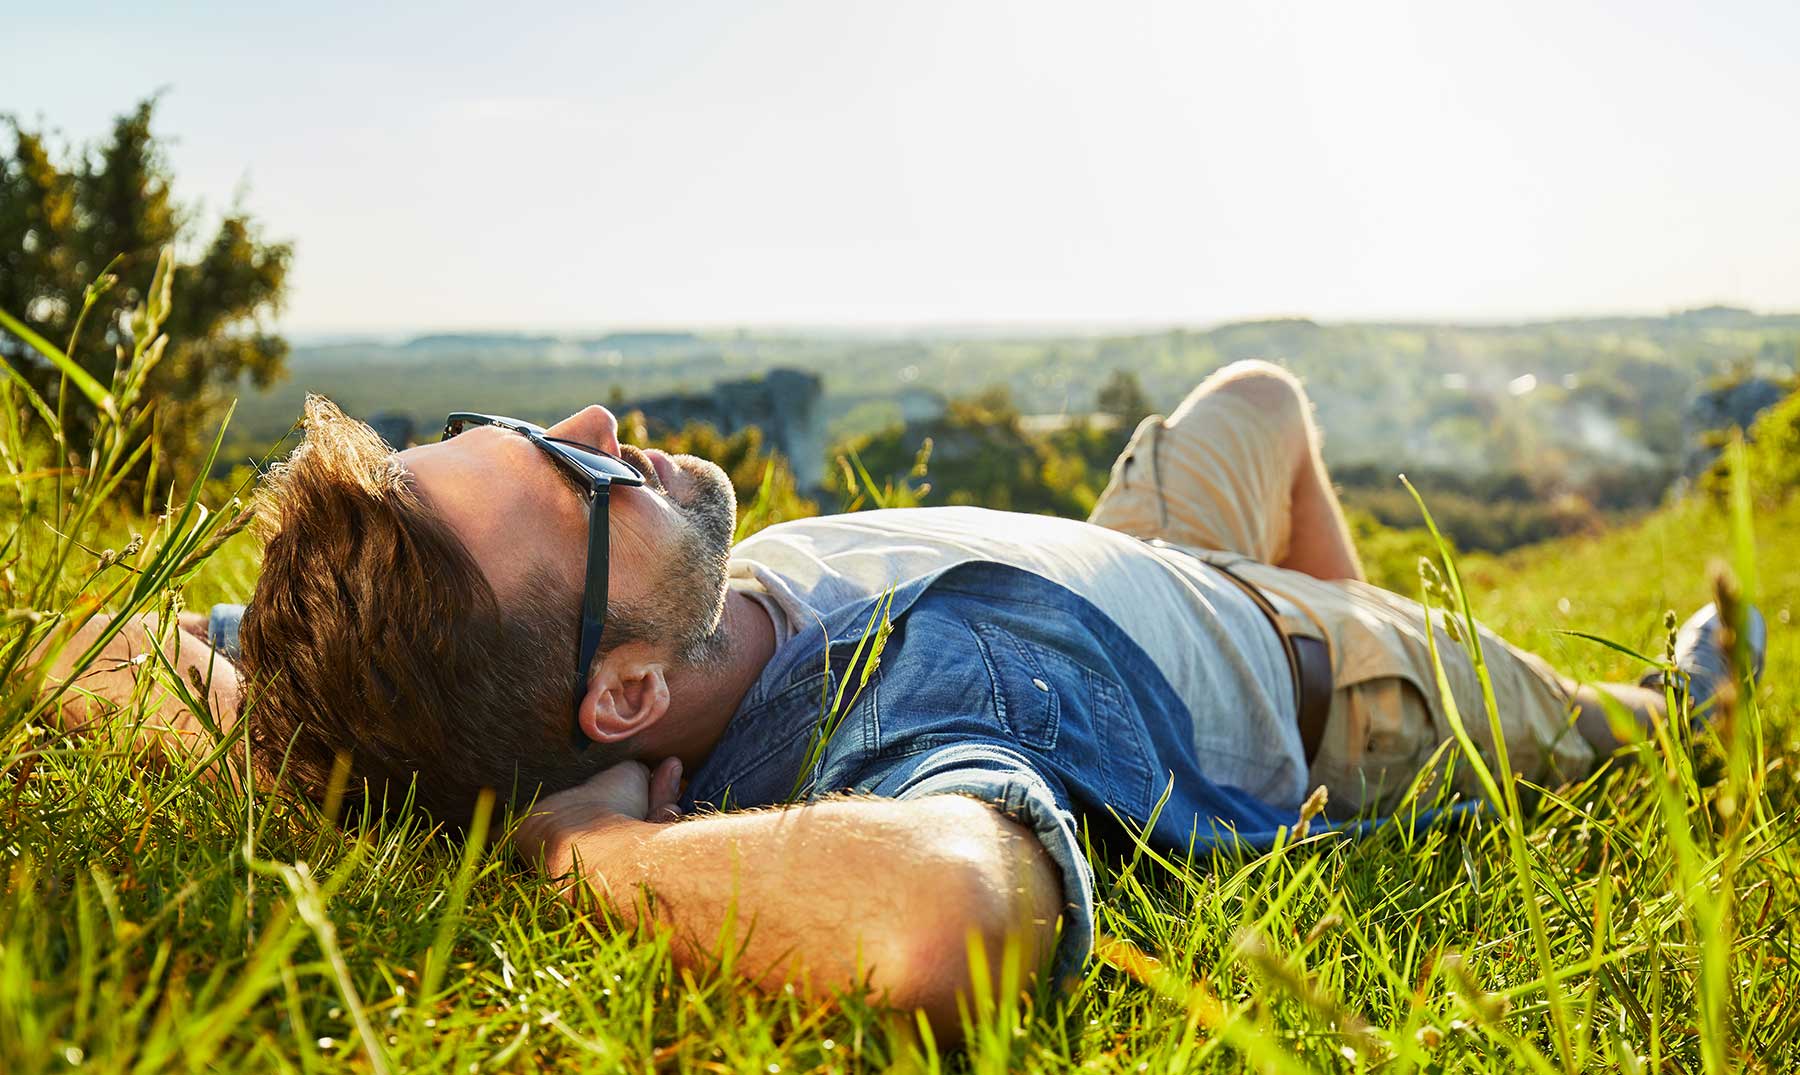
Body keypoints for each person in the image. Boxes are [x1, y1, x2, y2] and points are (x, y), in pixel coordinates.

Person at [44, 361, 1766, 1034]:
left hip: (1127, 548)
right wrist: (571, 862)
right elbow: (945, 922)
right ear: (627, 692)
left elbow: (77, 645)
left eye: (515, 430)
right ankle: (1692, 695)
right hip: (1341, 684)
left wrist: (316, 759)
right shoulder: (895, 718)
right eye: (577, 485)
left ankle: (1338, 582)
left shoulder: (476, 644)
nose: (589, 423)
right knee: (1643, 724)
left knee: (1257, 400)